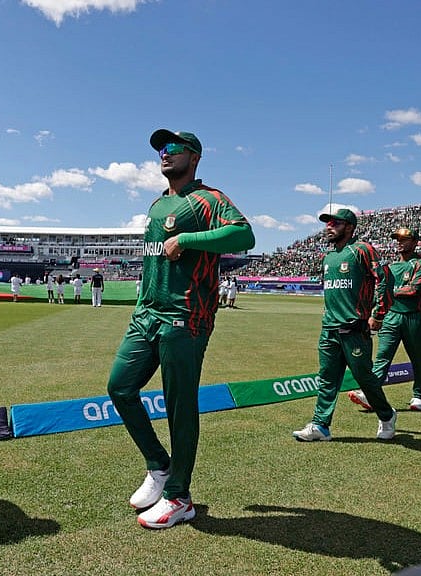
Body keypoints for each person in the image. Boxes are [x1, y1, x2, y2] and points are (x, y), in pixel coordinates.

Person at [107, 129, 254, 530]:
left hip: (185, 319)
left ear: (195, 157)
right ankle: (159, 466)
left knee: (180, 407)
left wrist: (188, 237)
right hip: (147, 315)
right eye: (161, 149)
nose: (165, 154)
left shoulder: (210, 200)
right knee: (119, 388)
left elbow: (245, 234)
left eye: (174, 148)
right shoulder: (158, 204)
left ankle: (180, 497)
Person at [292, 208, 396, 443]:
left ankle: (387, 416)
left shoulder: (361, 249)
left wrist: (378, 314)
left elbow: (385, 279)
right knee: (327, 377)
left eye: (335, 223)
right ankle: (320, 425)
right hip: (329, 328)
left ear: (349, 226)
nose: (328, 227)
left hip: (353, 328)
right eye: (327, 223)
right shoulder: (328, 257)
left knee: (364, 377)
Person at [347, 226, 421, 412]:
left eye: (405, 239)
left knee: (418, 358)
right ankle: (371, 395)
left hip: (414, 316)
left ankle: (419, 396)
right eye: (398, 240)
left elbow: (413, 290)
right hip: (391, 316)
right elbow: (378, 292)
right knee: (382, 357)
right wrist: (373, 311)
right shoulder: (389, 267)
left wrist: (387, 292)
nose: (400, 243)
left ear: (415, 242)